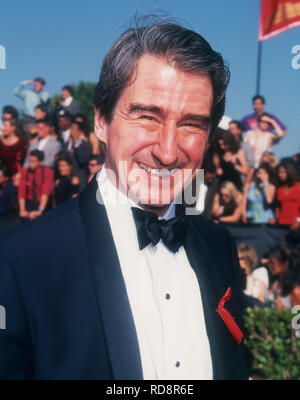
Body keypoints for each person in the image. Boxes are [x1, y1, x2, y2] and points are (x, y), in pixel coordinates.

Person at [0, 20, 248, 380]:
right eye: (147, 116)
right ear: (101, 120)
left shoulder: (219, 246)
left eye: (192, 124)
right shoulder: (20, 261)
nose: (167, 151)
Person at [18, 150, 53, 221]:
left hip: (42, 203)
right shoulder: (25, 171)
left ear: (40, 162)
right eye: (30, 161)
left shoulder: (47, 172)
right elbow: (21, 192)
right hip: (29, 202)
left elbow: (45, 192)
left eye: (33, 161)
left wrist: (40, 211)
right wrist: (22, 210)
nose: (30, 164)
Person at [265, 244, 300, 309]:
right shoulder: (275, 284)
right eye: (268, 262)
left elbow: (297, 317)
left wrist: (283, 309)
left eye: (272, 262)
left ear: (285, 263)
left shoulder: (296, 291)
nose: (269, 265)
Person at [66, 114, 92, 190]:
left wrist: (76, 145)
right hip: (68, 180)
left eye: (73, 128)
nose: (71, 130)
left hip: (80, 180)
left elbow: (83, 160)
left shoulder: (85, 144)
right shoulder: (69, 143)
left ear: (80, 131)